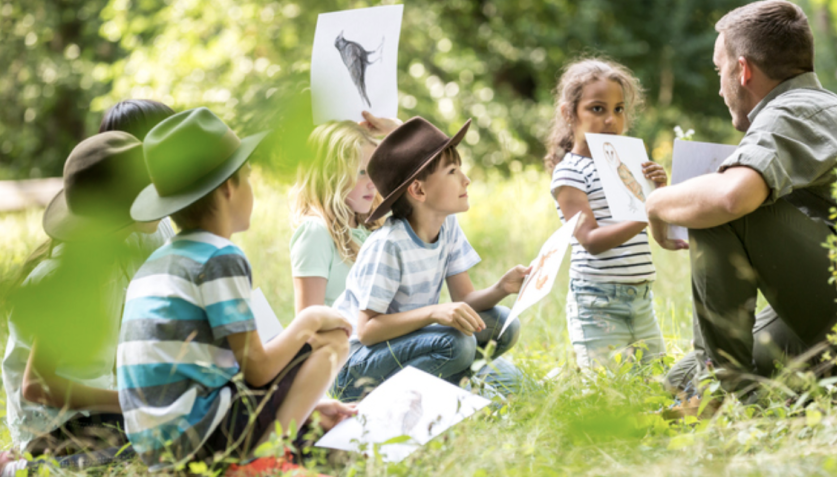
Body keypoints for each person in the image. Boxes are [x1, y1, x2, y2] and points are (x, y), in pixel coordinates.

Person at [645, 0, 837, 398]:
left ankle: (728, 400)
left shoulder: (792, 112)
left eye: (720, 71)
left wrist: (655, 204)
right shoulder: (815, 109)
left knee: (719, 204)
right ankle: (728, 392)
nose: (719, 86)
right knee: (681, 384)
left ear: (743, 69)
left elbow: (731, 200)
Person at [117, 108, 354, 471]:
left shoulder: (156, 264)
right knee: (333, 336)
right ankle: (265, 459)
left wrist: (305, 401)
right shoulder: (219, 257)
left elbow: (226, 369)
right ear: (230, 188)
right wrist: (308, 320)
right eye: (247, 177)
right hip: (201, 436)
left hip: (157, 449)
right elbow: (257, 369)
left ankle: (278, 440)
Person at [0, 100, 177, 476]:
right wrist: (129, 401)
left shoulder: (140, 238)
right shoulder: (65, 276)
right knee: (158, 446)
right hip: (54, 422)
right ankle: (26, 469)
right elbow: (36, 386)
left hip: (102, 402)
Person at [331, 116, 530, 402]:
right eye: (452, 171)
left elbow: (466, 300)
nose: (466, 179)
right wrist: (433, 312)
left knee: (504, 323)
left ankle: (453, 384)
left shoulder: (447, 227)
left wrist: (502, 288)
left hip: (408, 345)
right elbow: (367, 330)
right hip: (355, 366)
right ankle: (413, 398)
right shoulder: (388, 245)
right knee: (458, 345)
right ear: (419, 190)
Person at [544, 58, 671, 370]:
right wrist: (646, 210)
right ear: (568, 113)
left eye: (619, 108)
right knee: (608, 394)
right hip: (598, 301)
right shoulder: (569, 173)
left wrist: (659, 194)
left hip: (641, 297)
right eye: (597, 109)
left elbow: (654, 234)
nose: (611, 119)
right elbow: (591, 240)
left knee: (656, 385)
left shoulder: (626, 165)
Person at [288, 114, 396, 311]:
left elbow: (428, 181)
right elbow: (309, 322)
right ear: (331, 176)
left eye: (375, 171)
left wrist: (396, 130)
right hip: (344, 341)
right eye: (362, 173)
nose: (373, 183)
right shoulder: (316, 232)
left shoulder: (371, 228)